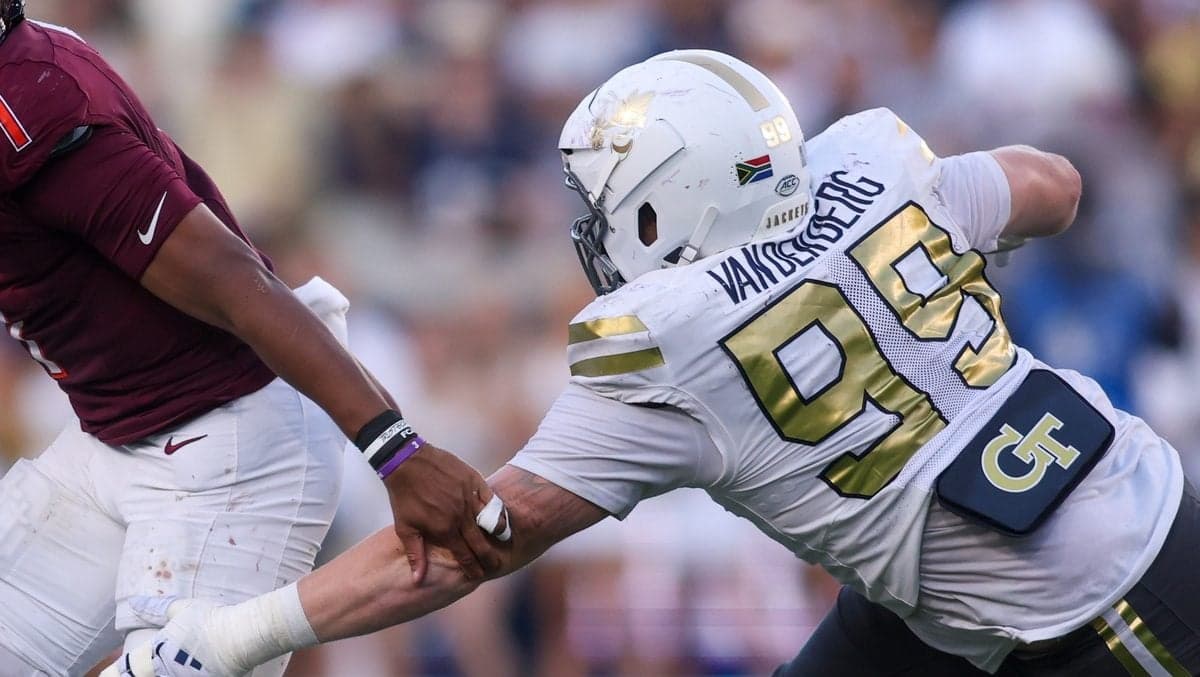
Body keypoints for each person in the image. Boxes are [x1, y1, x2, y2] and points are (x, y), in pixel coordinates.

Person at [106, 48, 1200, 677]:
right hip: (1115, 501)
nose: (591, 232)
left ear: (668, 201)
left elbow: (461, 542)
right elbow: (1054, 183)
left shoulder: (668, 347)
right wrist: (899, 228)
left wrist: (233, 636)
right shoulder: (876, 167)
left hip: (1096, 604)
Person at [0, 5, 506, 676]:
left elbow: (234, 280)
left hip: (226, 450)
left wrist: (396, 450)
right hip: (113, 434)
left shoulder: (28, 107)